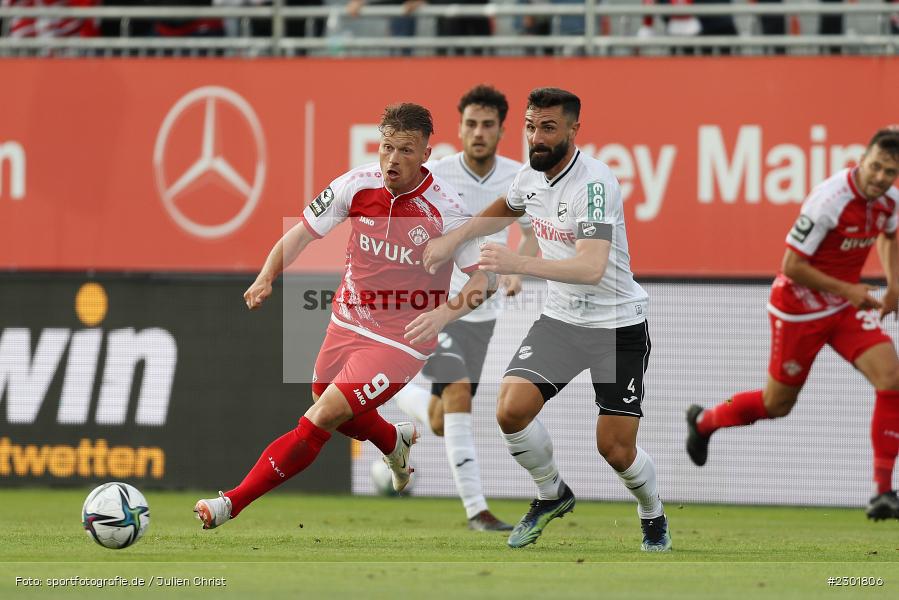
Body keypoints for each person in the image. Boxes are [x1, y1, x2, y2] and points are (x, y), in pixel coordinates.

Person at [194, 103, 494, 529]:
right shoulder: (356, 185)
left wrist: (444, 315)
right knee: (325, 399)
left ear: (426, 154)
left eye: (405, 150)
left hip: (401, 340)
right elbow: (301, 233)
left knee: (320, 418)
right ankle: (394, 440)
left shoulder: (446, 209)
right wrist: (266, 276)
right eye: (387, 147)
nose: (392, 159)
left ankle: (230, 503)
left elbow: (485, 282)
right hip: (347, 322)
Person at [422, 88, 672, 552]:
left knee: (615, 449)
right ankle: (551, 493)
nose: (536, 137)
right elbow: (506, 207)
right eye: (531, 127)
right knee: (510, 410)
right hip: (561, 321)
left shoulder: (594, 185)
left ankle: (652, 513)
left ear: (575, 130)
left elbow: (591, 268)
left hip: (617, 326)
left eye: (549, 128)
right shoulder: (528, 177)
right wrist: (454, 237)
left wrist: (517, 263)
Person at [685, 128, 899, 522]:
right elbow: (791, 266)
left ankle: (883, 492)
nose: (881, 177)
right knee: (776, 404)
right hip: (798, 309)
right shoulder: (829, 200)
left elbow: (889, 234)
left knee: (892, 378)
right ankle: (704, 421)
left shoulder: (889, 202)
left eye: (890, 172)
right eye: (876, 167)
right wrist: (848, 289)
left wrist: (894, 285)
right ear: (862, 159)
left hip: (844, 309)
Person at [391, 85, 538, 532]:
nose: (478, 132)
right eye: (471, 124)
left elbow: (532, 232)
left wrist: (518, 269)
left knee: (440, 420)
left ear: (501, 131)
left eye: (487, 125)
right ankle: (478, 510)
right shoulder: (434, 174)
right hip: (436, 306)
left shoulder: (521, 177)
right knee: (456, 394)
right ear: (460, 128)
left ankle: (400, 401)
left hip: (482, 314)